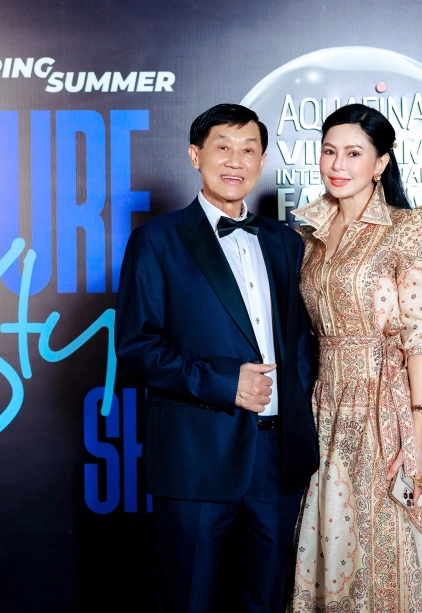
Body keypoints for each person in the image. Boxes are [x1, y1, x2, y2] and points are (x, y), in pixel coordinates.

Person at [115, 103, 319, 613]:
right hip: (197, 455)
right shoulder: (156, 241)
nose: (235, 160)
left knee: (268, 601)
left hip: (276, 461)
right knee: (190, 599)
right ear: (195, 155)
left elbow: (301, 341)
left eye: (248, 149)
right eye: (222, 147)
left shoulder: (286, 242)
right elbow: (137, 346)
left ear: (262, 160)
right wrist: (226, 384)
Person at [288, 104, 422, 612]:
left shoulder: (408, 227)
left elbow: (419, 329)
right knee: (336, 544)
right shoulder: (306, 234)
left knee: (390, 536)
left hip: (383, 403)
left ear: (381, 163)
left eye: (354, 153)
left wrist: (418, 424)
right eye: (329, 152)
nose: (337, 165)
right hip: (324, 406)